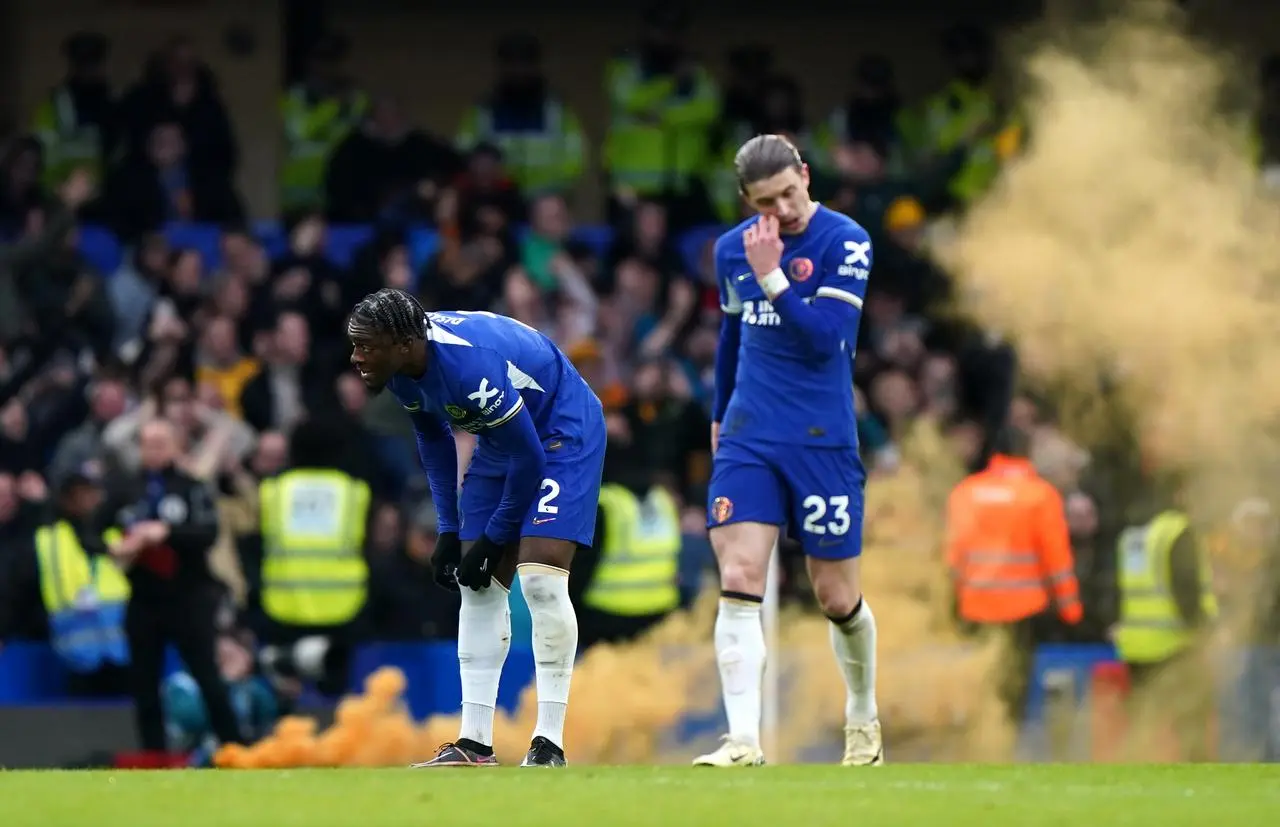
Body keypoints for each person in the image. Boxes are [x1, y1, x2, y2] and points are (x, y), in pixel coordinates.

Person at [346, 288, 606, 767]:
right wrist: (450, 528)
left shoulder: (468, 370)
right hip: (504, 434)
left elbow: (531, 457)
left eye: (367, 345)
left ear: (404, 343)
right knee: (478, 585)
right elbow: (433, 438)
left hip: (562, 429)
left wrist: (493, 535)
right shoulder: (403, 368)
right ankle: (474, 743)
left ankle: (549, 742)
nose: (356, 356)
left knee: (541, 580)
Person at [696, 134, 881, 767]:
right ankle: (743, 739)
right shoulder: (730, 252)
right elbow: (730, 334)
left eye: (790, 193)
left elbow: (825, 340)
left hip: (821, 440)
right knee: (742, 573)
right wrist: (720, 414)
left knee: (835, 596)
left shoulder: (846, 241)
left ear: (806, 175)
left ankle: (862, 716)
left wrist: (774, 276)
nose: (785, 210)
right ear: (748, 203)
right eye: (767, 203)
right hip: (750, 435)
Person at [103, 417, 244, 760]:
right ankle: (155, 757)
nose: (153, 451)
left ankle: (235, 749)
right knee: (144, 684)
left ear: (175, 446)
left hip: (188, 597)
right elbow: (94, 530)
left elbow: (207, 534)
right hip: (143, 599)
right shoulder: (125, 490)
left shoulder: (191, 487)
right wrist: (116, 547)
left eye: (160, 443)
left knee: (208, 677)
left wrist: (165, 532)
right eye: (147, 444)